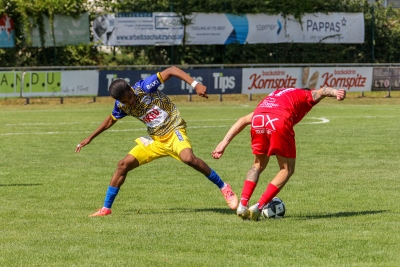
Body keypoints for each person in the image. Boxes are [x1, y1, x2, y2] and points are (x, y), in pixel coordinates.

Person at [75, 66, 238, 217]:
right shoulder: (121, 105)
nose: (130, 102)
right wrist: (89, 138)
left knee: (189, 158)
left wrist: (195, 84)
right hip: (155, 140)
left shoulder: (145, 87)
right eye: (125, 101)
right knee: (123, 165)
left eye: (130, 97)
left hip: (174, 130)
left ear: (131, 88)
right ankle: (106, 208)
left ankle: (224, 188)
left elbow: (172, 70)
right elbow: (110, 120)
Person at [211, 87, 346, 221]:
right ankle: (258, 207)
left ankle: (242, 205)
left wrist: (223, 143)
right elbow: (322, 91)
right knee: (287, 169)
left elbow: (243, 120)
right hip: (279, 119)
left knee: (258, 164)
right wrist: (336, 92)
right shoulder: (305, 94)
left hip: (259, 117)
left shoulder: (280, 94)